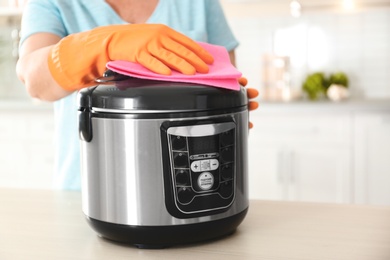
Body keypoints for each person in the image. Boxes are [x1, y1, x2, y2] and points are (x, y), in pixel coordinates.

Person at [16, 0, 258, 190]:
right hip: (88, 189)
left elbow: (228, 83)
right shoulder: (52, 2)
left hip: (199, 183)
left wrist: (229, 113)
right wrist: (105, 45)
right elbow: (34, 79)